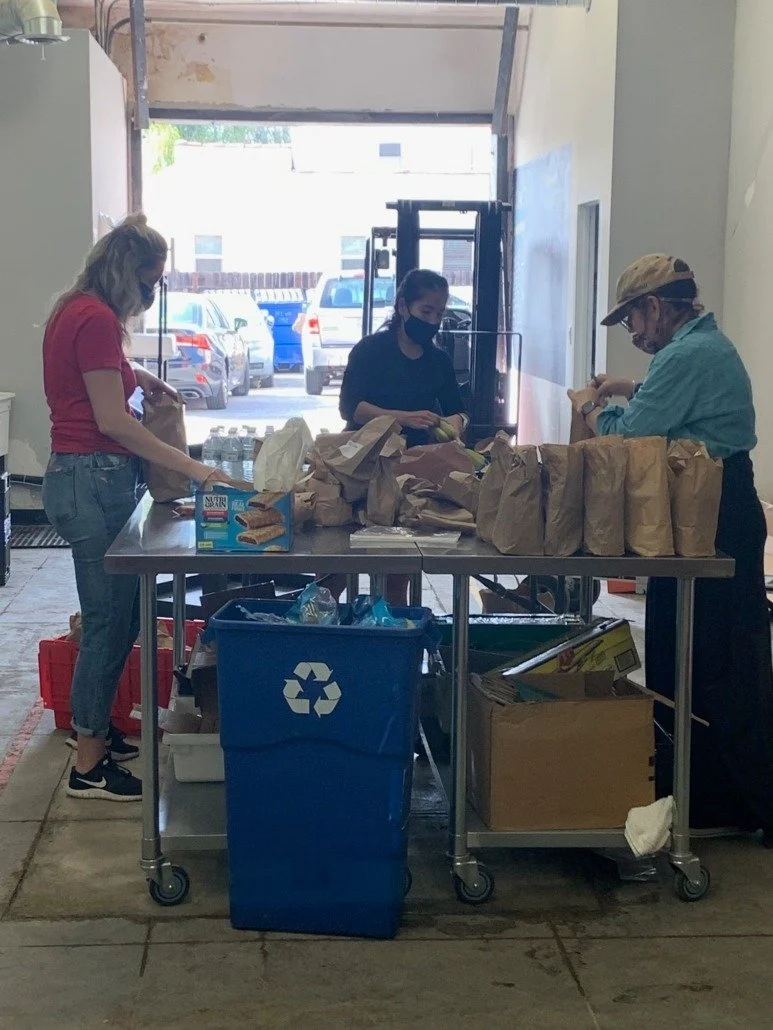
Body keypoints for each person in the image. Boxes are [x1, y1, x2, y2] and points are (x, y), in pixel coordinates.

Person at [568, 254, 773, 835]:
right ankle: (701, 788)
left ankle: (724, 800)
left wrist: (591, 407)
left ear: (655, 308)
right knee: (680, 647)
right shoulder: (704, 348)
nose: (634, 335)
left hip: (712, 515)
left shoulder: (685, 355)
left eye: (632, 320)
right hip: (707, 509)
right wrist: (629, 385)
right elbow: (675, 399)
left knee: (706, 658)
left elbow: (631, 435)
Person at [42, 214, 230, 803]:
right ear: (127, 274)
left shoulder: (74, 307)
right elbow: (111, 420)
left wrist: (139, 373)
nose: (152, 294)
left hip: (83, 478)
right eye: (150, 283)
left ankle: (93, 731)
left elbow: (95, 380)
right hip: (91, 481)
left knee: (122, 620)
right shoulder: (95, 319)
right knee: (106, 625)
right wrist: (192, 467)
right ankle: (89, 765)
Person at [339, 269, 468, 604]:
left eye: (439, 314)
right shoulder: (370, 351)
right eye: (426, 311)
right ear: (402, 307)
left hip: (412, 471)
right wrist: (402, 417)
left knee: (399, 566)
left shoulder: (438, 361)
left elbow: (458, 409)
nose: (433, 320)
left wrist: (453, 425)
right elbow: (352, 408)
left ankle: (395, 634)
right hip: (364, 466)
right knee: (336, 564)